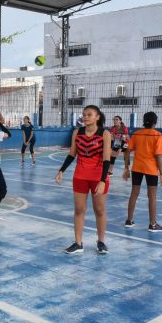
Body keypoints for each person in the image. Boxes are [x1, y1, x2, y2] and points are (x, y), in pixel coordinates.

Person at [55, 105, 112, 255]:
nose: (85, 117)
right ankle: (78, 243)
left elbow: (107, 159)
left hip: (98, 176)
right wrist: (61, 170)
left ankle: (101, 241)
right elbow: (72, 154)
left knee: (99, 210)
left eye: (89, 114)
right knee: (79, 210)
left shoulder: (105, 134)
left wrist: (102, 181)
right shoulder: (77, 133)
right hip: (80, 176)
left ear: (97, 117)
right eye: (84, 114)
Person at [122, 111, 162, 232]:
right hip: (151, 169)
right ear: (155, 122)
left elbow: (127, 151)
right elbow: (158, 156)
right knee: (152, 196)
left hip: (137, 168)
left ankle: (129, 220)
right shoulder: (157, 135)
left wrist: (126, 167)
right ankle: (152, 224)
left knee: (134, 194)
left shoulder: (137, 134)